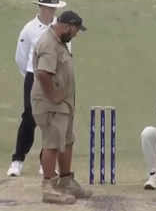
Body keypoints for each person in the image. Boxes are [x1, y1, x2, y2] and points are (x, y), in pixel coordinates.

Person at [31, 10, 91, 204]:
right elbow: (42, 73)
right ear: (66, 26)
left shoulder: (59, 42)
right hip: (50, 105)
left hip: (62, 105)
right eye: (75, 30)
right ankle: (48, 186)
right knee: (52, 143)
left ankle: (66, 180)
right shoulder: (49, 44)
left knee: (67, 141)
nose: (76, 34)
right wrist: (53, 96)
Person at [8, 0, 67, 177]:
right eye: (49, 8)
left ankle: (46, 163)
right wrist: (30, 75)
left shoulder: (62, 28)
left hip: (55, 78)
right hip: (33, 77)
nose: (52, 11)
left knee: (51, 120)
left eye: (54, 8)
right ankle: (17, 160)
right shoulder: (29, 29)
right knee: (29, 117)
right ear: (41, 7)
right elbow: (21, 56)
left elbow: (66, 55)